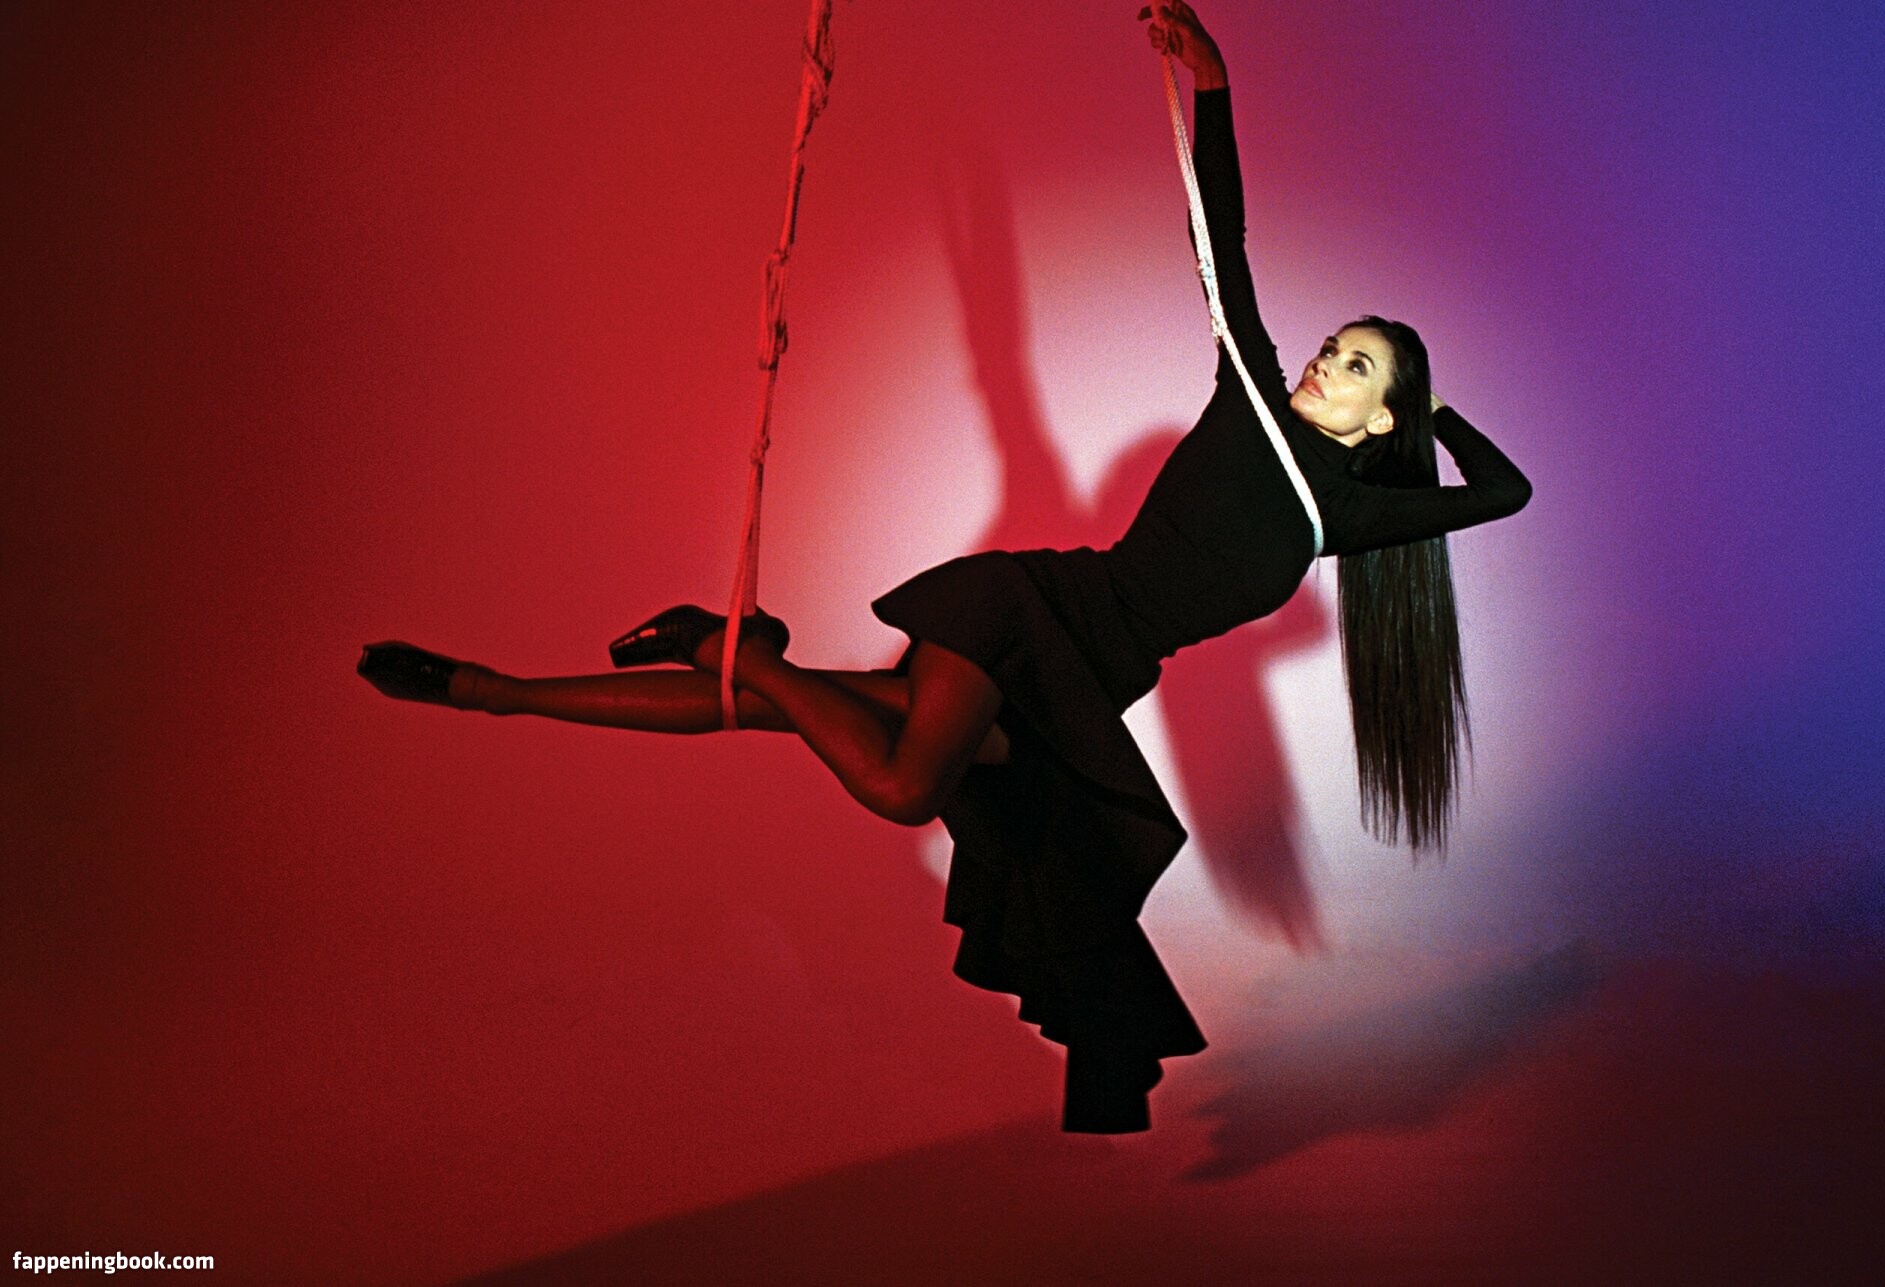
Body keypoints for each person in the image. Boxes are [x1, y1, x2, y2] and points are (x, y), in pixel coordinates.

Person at [357, 1, 1531, 1133]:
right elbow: (1218, 231)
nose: (1325, 363)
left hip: (1083, 684)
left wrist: (1437, 409)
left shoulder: (1341, 519)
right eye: (1333, 346)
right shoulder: (1251, 395)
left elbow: (1504, 492)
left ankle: (496, 690)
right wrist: (1212, 80)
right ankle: (731, 650)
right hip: (1030, 612)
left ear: (1386, 420)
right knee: (903, 786)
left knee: (778, 713)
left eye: (1357, 368)